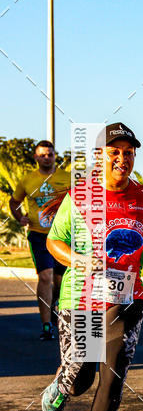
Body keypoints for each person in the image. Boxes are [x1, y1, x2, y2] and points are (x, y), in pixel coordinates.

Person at [40, 123, 143, 411]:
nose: (122, 158)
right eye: (114, 152)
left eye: (128, 153)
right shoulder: (80, 196)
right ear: (100, 156)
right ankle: (64, 382)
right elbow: (55, 242)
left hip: (126, 299)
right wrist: (79, 260)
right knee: (81, 376)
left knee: (112, 377)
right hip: (82, 298)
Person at [9, 140, 71, 339]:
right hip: (38, 235)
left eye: (50, 154)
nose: (46, 158)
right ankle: (47, 326)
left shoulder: (67, 178)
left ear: (55, 156)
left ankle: (55, 307)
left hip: (63, 236)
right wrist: (20, 218)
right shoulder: (28, 180)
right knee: (45, 276)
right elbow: (14, 202)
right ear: (36, 157)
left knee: (60, 280)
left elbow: (80, 200)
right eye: (42, 155)